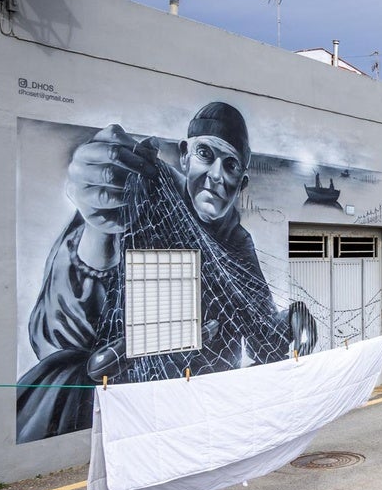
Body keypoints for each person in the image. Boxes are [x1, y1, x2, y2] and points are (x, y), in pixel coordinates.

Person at [17, 102, 314, 442]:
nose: (217, 175)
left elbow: (264, 338)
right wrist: (97, 227)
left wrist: (291, 320)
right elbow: (61, 342)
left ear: (241, 181)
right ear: (185, 155)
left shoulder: (237, 243)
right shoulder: (146, 198)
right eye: (206, 154)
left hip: (208, 419)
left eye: (230, 165)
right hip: (134, 418)